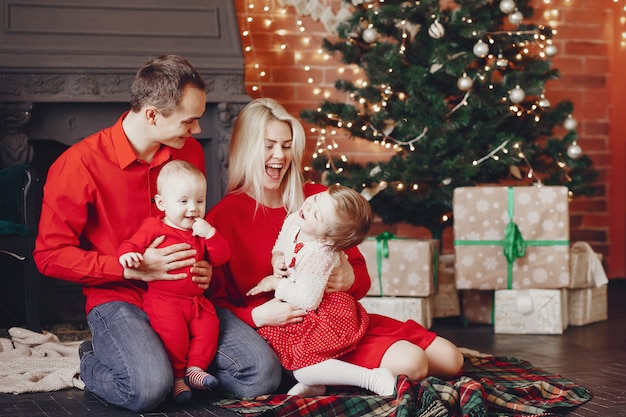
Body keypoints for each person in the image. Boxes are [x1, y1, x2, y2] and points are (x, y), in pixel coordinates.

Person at [33, 55, 281, 413]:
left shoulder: (188, 152)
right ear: (152, 114)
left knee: (261, 375)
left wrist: (205, 263)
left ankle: (174, 366)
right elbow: (49, 256)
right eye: (189, 120)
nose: (197, 130)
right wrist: (130, 269)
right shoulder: (79, 164)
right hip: (119, 298)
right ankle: (93, 358)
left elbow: (192, 225)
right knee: (148, 389)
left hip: (188, 299)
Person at [206, 97, 464, 397]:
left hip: (342, 321)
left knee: (451, 359)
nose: (279, 155)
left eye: (287, 145)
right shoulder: (222, 218)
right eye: (269, 145)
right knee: (414, 363)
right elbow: (214, 304)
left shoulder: (316, 198)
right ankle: (342, 376)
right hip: (296, 334)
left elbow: (360, 275)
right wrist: (257, 317)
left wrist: (349, 278)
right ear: (246, 147)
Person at [246, 184, 396, 396]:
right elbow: (282, 240)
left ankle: (371, 378)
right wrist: (276, 256)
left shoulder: (319, 254)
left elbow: (308, 300)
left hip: (327, 313)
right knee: (290, 353)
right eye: (317, 198)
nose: (309, 205)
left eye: (317, 214)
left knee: (304, 369)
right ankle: (316, 386)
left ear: (326, 239)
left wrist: (275, 284)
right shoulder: (297, 219)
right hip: (306, 306)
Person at [118, 160, 230, 404]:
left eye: (200, 201)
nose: (193, 209)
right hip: (164, 301)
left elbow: (221, 257)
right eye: (183, 202)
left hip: (197, 302)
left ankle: (195, 370)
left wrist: (211, 234)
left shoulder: (201, 231)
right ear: (161, 204)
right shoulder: (154, 227)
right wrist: (129, 255)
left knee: (209, 328)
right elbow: (131, 244)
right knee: (174, 337)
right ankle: (178, 378)